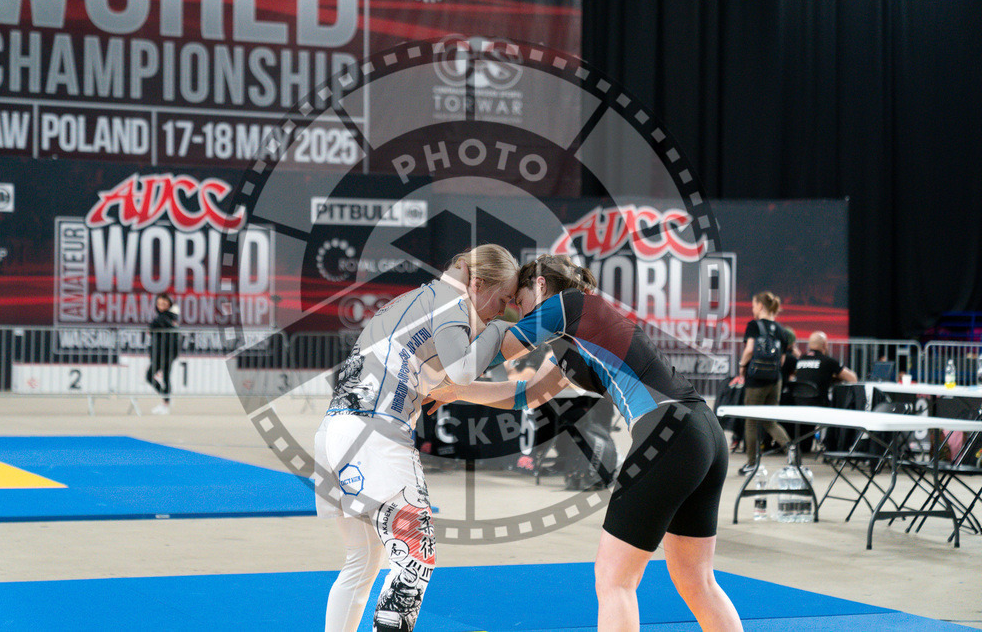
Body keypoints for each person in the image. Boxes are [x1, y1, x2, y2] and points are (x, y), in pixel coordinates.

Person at [427, 255, 742, 632]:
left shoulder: (568, 303)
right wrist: (457, 391)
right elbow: (529, 394)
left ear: (541, 286)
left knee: (614, 580)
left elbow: (507, 347)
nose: (518, 312)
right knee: (697, 580)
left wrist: (449, 341)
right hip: (703, 433)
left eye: (521, 302)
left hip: (669, 433)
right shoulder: (579, 340)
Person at [314, 244, 519, 632]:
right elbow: (462, 370)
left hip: (334, 434)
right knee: (413, 560)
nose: (502, 308)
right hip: (375, 436)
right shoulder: (451, 302)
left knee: (361, 561)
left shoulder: (417, 299)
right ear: (477, 282)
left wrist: (525, 388)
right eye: (503, 298)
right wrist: (498, 330)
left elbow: (438, 376)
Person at [735, 291, 792, 474]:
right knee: (770, 422)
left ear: (760, 305)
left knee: (751, 422)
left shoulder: (754, 325)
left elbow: (750, 349)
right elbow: (782, 361)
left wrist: (742, 366)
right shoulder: (781, 330)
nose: (752, 308)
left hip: (756, 380)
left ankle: (752, 464)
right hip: (775, 380)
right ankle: (792, 452)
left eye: (753, 305)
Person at [793, 331, 858, 402]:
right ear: (825, 345)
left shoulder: (800, 360)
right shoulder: (828, 361)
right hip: (820, 405)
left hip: (798, 403)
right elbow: (853, 378)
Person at [146, 293, 180, 415]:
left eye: (164, 304)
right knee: (162, 377)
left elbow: (154, 326)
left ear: (169, 305)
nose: (161, 306)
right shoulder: (166, 317)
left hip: (166, 352)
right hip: (161, 352)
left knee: (153, 376)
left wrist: (152, 327)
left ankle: (166, 401)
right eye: (159, 303)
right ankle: (166, 400)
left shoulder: (166, 317)